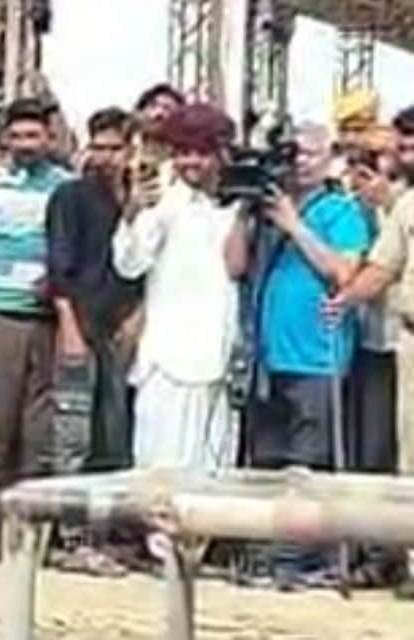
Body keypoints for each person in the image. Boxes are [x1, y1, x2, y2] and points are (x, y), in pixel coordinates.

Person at [229, 123, 370, 588]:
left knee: (307, 464)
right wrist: (245, 211)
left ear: (329, 157)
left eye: (309, 153)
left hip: (317, 356)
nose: (300, 161)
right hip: (269, 356)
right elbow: (233, 265)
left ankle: (300, 560)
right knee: (267, 461)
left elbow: (343, 273)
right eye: (293, 153)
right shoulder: (268, 210)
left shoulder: (340, 210)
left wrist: (294, 224)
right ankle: (266, 556)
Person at [0, 98, 75, 564]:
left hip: (46, 315)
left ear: (49, 139)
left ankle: (28, 532)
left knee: (37, 430)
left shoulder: (65, 186)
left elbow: (75, 247)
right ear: (5, 140)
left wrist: (57, 282)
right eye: (17, 137)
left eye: (34, 136)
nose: (25, 145)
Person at [111, 103, 240, 473]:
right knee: (159, 469)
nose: (191, 162)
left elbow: (238, 267)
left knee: (213, 471)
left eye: (202, 153)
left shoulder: (234, 203)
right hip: (166, 361)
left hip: (218, 358)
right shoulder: (163, 199)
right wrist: (133, 212)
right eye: (183, 153)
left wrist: (242, 209)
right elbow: (129, 264)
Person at [42, 106, 137, 573]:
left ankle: (103, 536)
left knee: (112, 436)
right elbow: (58, 268)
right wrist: (69, 328)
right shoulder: (70, 196)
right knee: (72, 435)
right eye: (97, 147)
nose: (104, 157)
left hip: (121, 333)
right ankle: (71, 537)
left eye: (113, 148)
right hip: (79, 325)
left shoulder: (139, 201)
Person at [329, 103, 414, 599]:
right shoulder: (405, 207)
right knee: (409, 455)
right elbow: (382, 268)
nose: (405, 155)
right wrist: (344, 299)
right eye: (401, 146)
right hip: (409, 341)